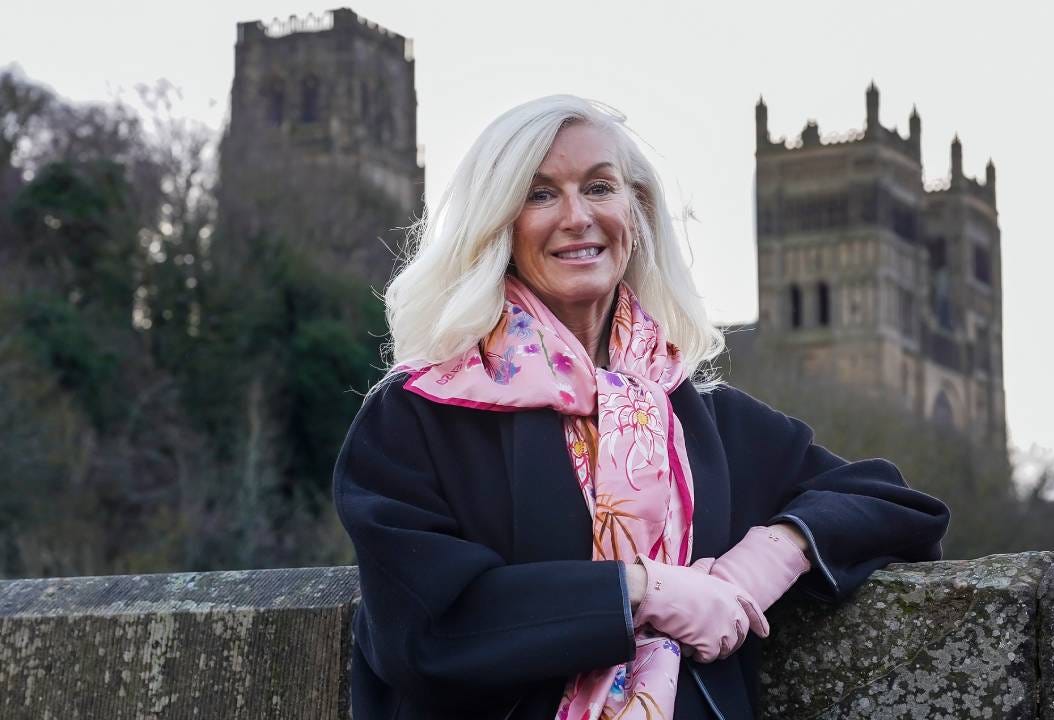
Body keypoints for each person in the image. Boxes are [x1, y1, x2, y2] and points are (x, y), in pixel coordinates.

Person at [332, 94, 950, 720]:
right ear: (497, 225)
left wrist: (772, 556)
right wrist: (639, 592)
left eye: (599, 187)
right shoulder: (418, 413)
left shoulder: (700, 414)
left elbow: (897, 504)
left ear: (638, 211)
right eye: (540, 194)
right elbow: (424, 629)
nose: (577, 216)